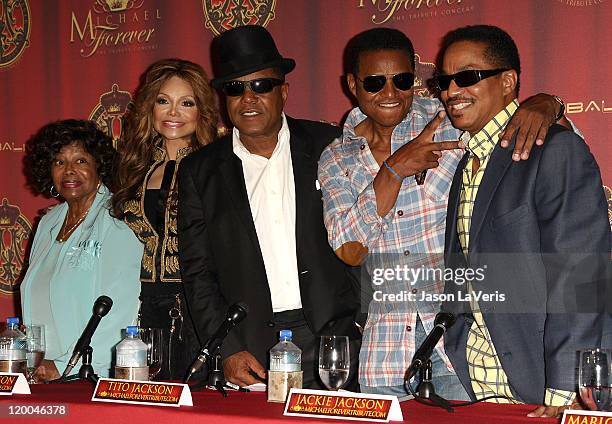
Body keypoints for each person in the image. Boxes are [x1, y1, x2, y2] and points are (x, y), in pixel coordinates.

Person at [318, 28, 575, 398]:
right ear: (352, 84)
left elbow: (545, 145)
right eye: (375, 82)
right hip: (385, 350)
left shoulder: (448, 119)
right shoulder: (337, 157)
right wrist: (393, 170)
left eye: (402, 81)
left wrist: (549, 104)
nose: (390, 94)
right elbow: (350, 250)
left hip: (462, 343)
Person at [436, 25, 611, 417]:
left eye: (467, 77)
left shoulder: (556, 150)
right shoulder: (466, 164)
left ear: (509, 81)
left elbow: (581, 275)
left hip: (549, 388)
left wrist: (566, 387)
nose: (450, 92)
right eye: (444, 81)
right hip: (479, 386)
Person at [178, 25, 361, 389]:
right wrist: (225, 348)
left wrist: (357, 324)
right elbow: (197, 272)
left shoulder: (331, 144)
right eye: (235, 88)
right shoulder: (200, 171)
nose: (248, 98)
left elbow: (369, 231)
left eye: (261, 85)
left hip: (334, 341)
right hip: (250, 350)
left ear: (284, 92)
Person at [112, 58, 218, 380]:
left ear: (202, 111)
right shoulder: (133, 168)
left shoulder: (216, 167)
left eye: (187, 103)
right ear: (150, 108)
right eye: (164, 101)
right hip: (142, 307)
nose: (173, 113)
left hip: (198, 305)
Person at [21, 119, 142, 380]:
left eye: (81, 161)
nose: (69, 171)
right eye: (59, 162)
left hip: (89, 376)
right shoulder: (48, 222)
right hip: (41, 374)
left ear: (99, 165)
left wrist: (68, 365)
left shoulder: (118, 220)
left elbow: (120, 311)